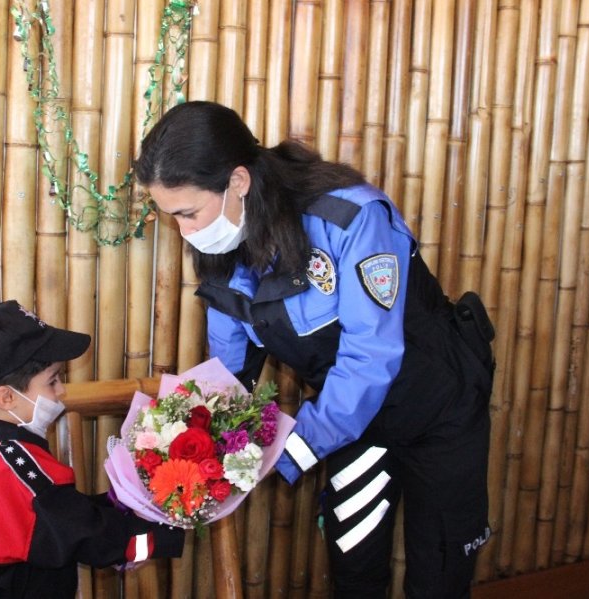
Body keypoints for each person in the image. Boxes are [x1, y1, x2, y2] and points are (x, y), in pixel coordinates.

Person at [133, 101, 495, 598]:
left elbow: (370, 358)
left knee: (440, 571)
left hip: (438, 408)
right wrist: (200, 442)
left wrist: (284, 452)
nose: (186, 231)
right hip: (357, 423)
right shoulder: (221, 245)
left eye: (189, 213)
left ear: (238, 181)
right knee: (355, 563)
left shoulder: (350, 218)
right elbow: (228, 367)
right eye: (172, 217)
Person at [0, 300, 184, 598]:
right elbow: (87, 536)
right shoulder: (21, 468)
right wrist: (167, 531)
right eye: (52, 381)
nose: (60, 391)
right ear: (6, 397)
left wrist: (120, 503)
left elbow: (60, 515)